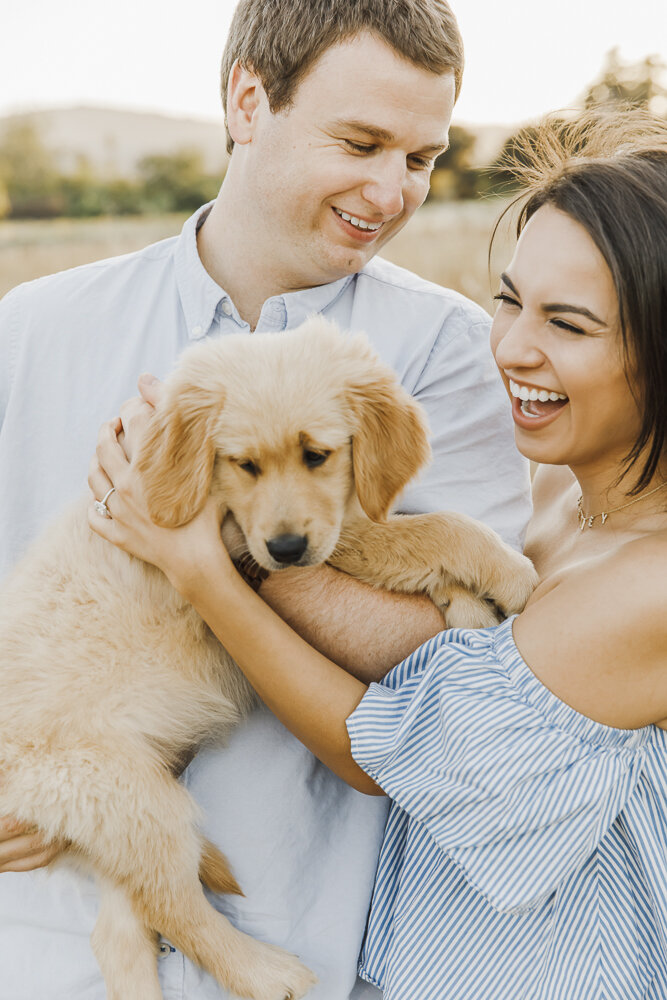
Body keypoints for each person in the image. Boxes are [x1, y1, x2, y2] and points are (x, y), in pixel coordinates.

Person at [0, 1, 531, 997]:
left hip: (314, 942)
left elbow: (456, 673)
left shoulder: (448, 354)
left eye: (421, 158)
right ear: (247, 99)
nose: (391, 190)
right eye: (361, 142)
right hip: (41, 951)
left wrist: (200, 553)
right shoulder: (29, 331)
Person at [87, 110, 667, 999]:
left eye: (569, 324)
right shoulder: (548, 492)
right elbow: (404, 613)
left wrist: (204, 562)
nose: (510, 347)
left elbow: (386, 748)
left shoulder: (650, 584)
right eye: (508, 299)